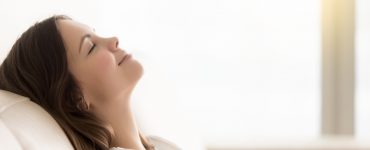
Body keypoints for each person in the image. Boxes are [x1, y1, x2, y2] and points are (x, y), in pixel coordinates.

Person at [0, 15, 172, 150]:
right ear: (74, 98)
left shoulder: (161, 144)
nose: (114, 39)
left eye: (97, 34)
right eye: (92, 47)